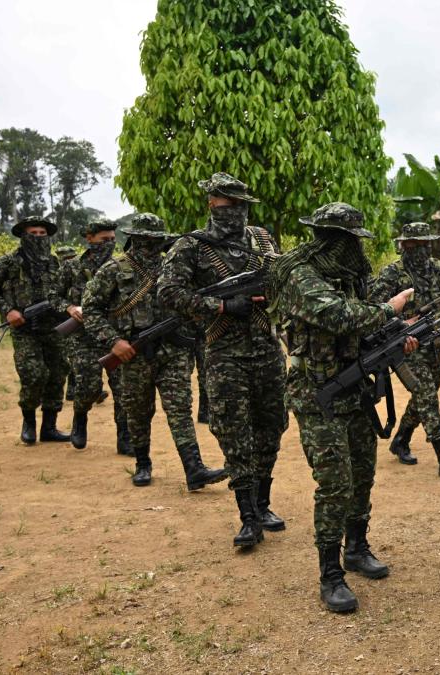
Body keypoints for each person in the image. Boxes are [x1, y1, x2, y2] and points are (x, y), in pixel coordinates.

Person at [267, 202, 416, 613]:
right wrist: (389, 309)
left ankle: (357, 548)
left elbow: (362, 327)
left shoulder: (350, 276)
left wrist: (394, 336)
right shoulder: (300, 274)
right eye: (350, 240)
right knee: (334, 483)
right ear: (334, 240)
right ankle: (330, 574)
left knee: (363, 474)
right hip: (317, 392)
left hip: (354, 388)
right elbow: (334, 315)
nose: (357, 249)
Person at [158, 172, 287, 548]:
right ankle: (248, 517)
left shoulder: (263, 240)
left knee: (272, 427)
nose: (231, 212)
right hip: (223, 353)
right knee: (234, 432)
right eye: (223, 205)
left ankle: (263, 503)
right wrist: (222, 305)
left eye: (238, 205)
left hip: (267, 350)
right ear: (210, 205)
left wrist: (270, 297)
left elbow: (282, 280)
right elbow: (168, 292)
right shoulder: (191, 247)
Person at [82, 214, 226, 490]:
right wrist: (113, 342)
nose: (149, 246)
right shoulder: (114, 269)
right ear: (133, 238)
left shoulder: (175, 269)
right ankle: (142, 463)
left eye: (155, 240)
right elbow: (90, 309)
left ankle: (194, 468)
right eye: (144, 240)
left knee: (180, 409)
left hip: (173, 351)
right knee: (138, 410)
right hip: (132, 353)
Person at [368, 222, 440, 480]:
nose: (416, 250)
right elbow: (372, 310)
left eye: (422, 245)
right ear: (402, 245)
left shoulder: (438, 269)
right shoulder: (392, 273)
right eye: (411, 245)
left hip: (434, 344)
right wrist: (400, 325)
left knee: (426, 393)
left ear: (429, 245)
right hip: (404, 347)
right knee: (425, 393)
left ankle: (401, 439)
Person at [0, 216, 72, 444]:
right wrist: (8, 311)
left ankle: (49, 427)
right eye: (34, 233)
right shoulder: (8, 262)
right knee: (33, 374)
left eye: (43, 234)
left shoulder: (54, 263)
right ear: (23, 235)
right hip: (24, 328)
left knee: (57, 374)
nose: (39, 238)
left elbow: (65, 291)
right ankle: (29, 422)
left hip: (53, 327)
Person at [59, 220, 131, 454]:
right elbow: (52, 295)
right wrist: (69, 308)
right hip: (82, 337)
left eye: (112, 239)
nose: (109, 244)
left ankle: (125, 437)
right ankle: (80, 417)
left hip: (115, 336)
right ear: (89, 239)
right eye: (104, 240)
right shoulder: (72, 267)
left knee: (123, 388)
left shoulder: (123, 265)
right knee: (88, 386)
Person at [57, 245, 79, 403]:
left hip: (76, 321)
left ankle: (72, 390)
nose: (69, 261)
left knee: (75, 357)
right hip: (63, 322)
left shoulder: (78, 272)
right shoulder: (57, 275)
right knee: (71, 358)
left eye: (72, 257)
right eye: (66, 258)